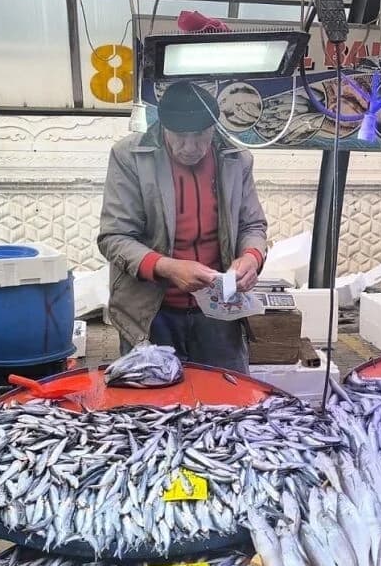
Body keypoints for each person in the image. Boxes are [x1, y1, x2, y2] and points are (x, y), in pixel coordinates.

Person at [99, 81, 268, 373]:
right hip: (152, 313)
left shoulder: (237, 160)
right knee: (151, 406)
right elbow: (114, 237)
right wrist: (168, 267)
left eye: (201, 136)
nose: (190, 147)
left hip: (219, 312)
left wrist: (252, 257)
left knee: (227, 402)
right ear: (163, 127)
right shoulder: (130, 157)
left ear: (214, 128)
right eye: (179, 136)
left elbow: (252, 224)